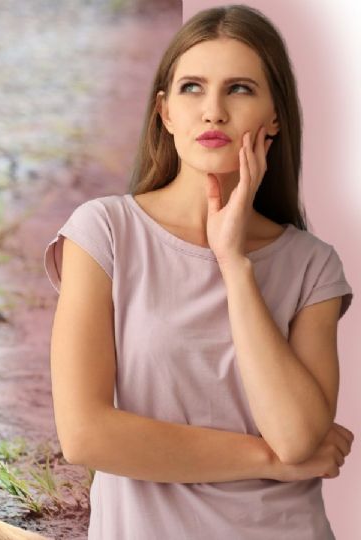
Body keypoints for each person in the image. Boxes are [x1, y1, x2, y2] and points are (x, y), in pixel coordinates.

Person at [44, 5, 353, 539]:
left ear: (274, 115)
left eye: (239, 89)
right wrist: (269, 461)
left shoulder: (311, 264)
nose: (213, 111)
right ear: (164, 112)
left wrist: (234, 264)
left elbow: (300, 439)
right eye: (192, 88)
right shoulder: (105, 233)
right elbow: (86, 435)